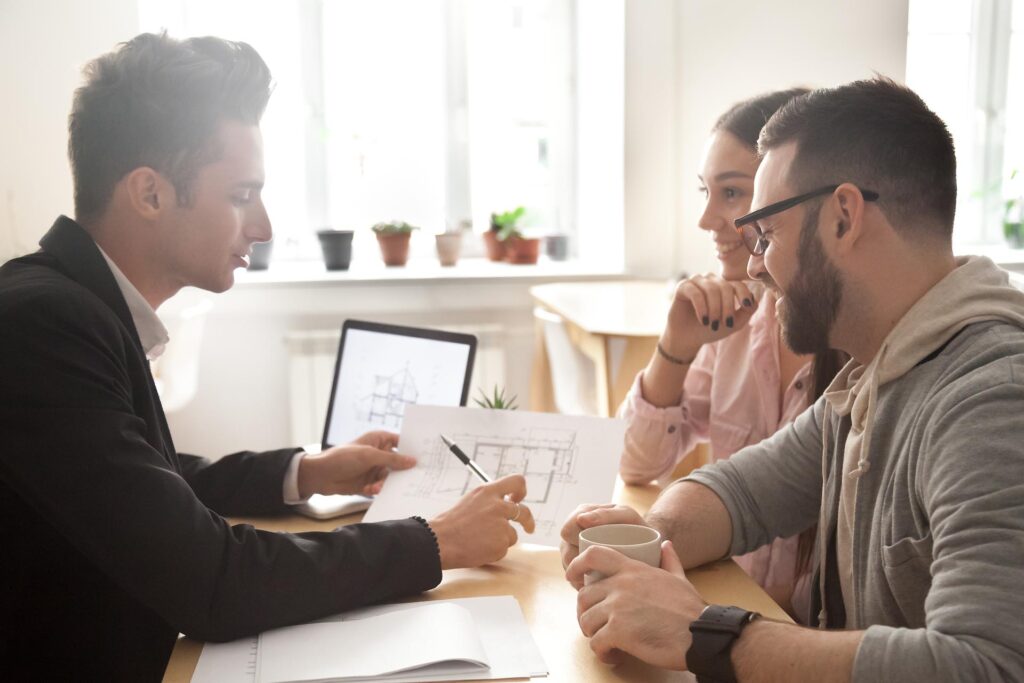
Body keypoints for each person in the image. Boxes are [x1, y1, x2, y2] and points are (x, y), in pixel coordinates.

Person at [0, 33, 534, 681]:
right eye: (240, 194)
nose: (264, 226)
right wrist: (435, 539)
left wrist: (307, 471)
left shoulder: (72, 303)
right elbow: (210, 579)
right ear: (149, 193)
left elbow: (150, 482)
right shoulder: (43, 325)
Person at [561, 77, 1024, 681]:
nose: (755, 264)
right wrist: (643, 539)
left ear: (843, 217)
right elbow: (739, 492)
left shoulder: (989, 400)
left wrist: (706, 634)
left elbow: (987, 665)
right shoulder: (875, 375)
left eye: (768, 234)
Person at [615, 88, 846, 621]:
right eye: (706, 191)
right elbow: (637, 462)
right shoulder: (735, 321)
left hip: (794, 639)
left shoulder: (856, 341)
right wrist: (675, 347)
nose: (707, 220)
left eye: (733, 194)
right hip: (729, 609)